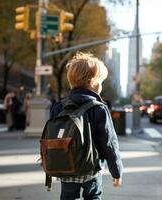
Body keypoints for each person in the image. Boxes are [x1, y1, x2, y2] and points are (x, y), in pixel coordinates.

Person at [50, 52, 123, 200]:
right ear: (92, 82)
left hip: (66, 167)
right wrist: (116, 171)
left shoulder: (59, 106)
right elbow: (108, 143)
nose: (101, 86)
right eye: (100, 82)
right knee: (93, 196)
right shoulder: (99, 108)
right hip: (91, 169)